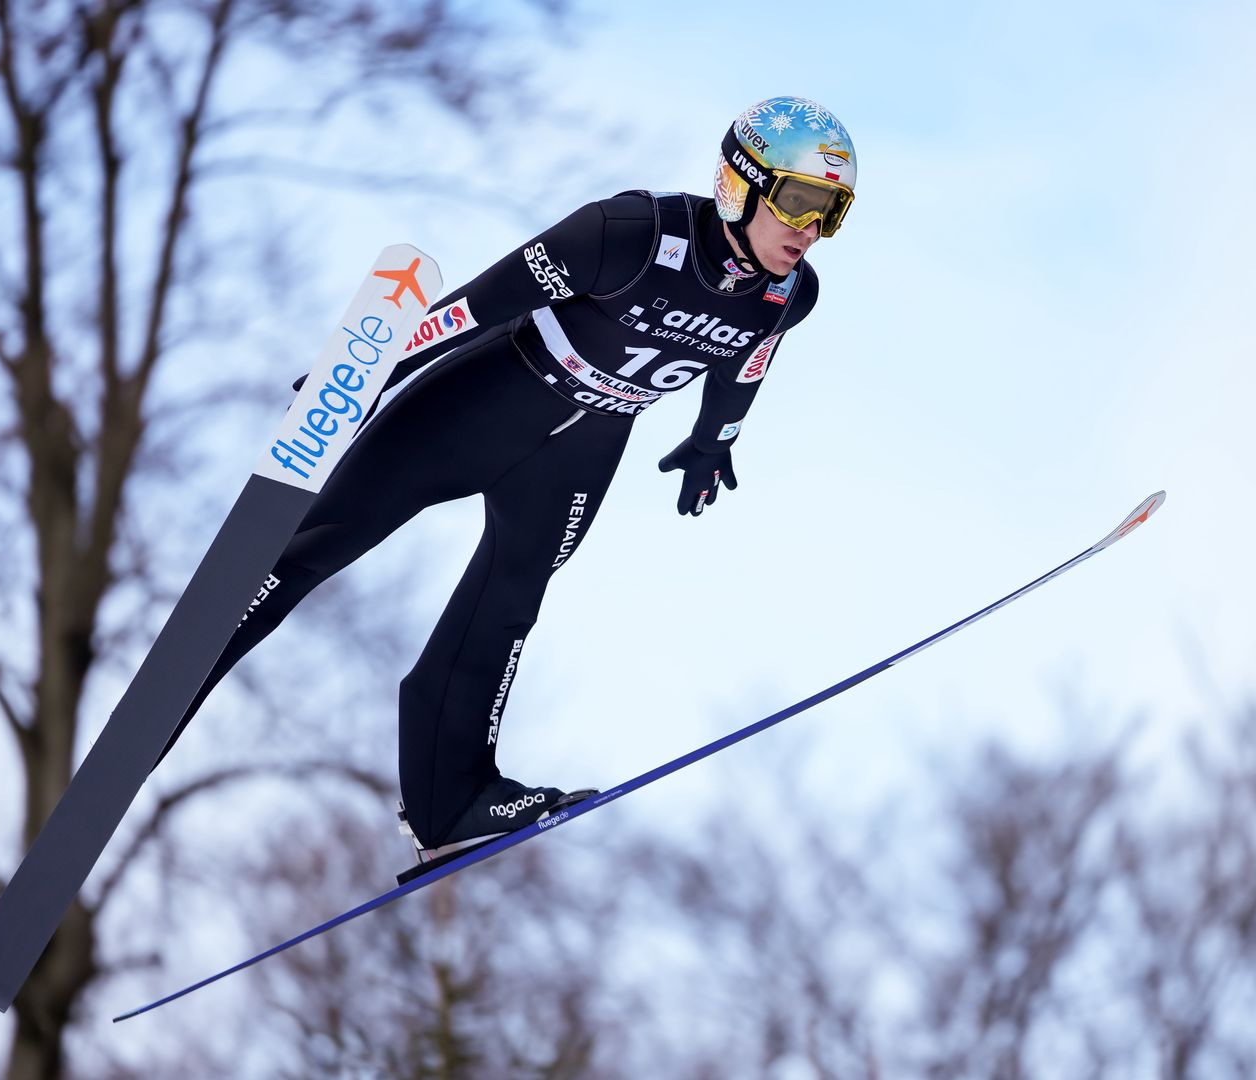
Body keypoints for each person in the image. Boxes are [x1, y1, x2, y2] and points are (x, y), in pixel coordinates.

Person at [160, 95, 858, 871]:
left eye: (830, 212)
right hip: (491, 398)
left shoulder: (788, 297)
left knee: (509, 603)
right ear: (741, 183)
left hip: (584, 449)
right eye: (798, 200)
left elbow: (742, 368)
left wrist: (712, 441)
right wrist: (371, 374)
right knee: (325, 544)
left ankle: (450, 801)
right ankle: (177, 684)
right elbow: (469, 308)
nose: (808, 228)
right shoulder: (627, 235)